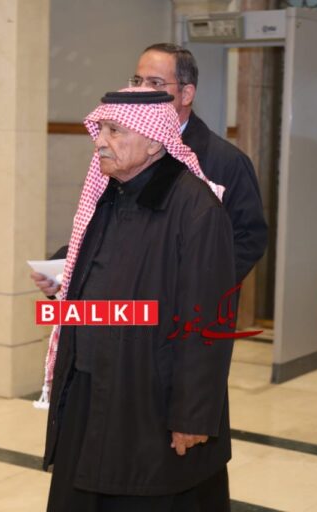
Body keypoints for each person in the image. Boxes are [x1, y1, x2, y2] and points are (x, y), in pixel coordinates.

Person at [43, 88, 236, 511]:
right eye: (101, 130)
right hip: (91, 386)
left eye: (114, 131)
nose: (100, 141)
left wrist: (192, 415)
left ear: (153, 141)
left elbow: (208, 322)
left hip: (151, 398)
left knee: (144, 493)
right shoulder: (109, 194)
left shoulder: (195, 209)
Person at [34, 43, 268, 293]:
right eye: (138, 81)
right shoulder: (122, 152)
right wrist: (68, 265)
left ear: (186, 94)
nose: (142, 90)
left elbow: (248, 240)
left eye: (155, 83)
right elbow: (115, 228)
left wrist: (190, 287)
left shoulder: (225, 160)